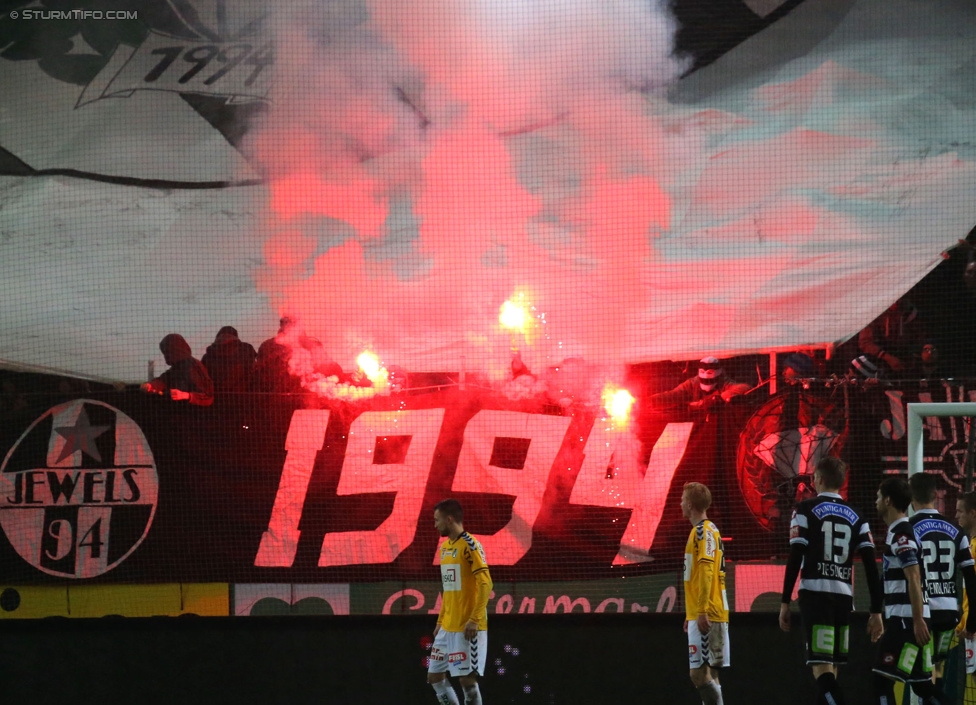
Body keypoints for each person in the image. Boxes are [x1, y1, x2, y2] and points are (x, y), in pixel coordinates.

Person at [779, 457, 884, 705]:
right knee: (832, 668)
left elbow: (795, 555)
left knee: (822, 671)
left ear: (820, 479)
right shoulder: (857, 515)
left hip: (816, 596)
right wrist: (876, 609)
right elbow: (871, 563)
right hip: (843, 598)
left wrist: (784, 601)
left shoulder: (804, 509)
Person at [873, 476, 944, 704]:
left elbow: (913, 575)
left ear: (887, 501)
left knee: (881, 683)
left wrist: (916, 620)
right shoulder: (900, 531)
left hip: (905, 622)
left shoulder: (901, 533)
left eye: (877, 497)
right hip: (911, 619)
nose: (875, 501)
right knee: (923, 686)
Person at [910, 474, 976, 695]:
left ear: (912, 497)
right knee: (937, 668)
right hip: (949, 611)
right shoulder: (957, 532)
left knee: (920, 674)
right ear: (935, 496)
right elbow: (970, 579)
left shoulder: (907, 528)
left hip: (924, 612)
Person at [429, 499, 493, 705]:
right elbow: (449, 589)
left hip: (467, 626)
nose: (435, 524)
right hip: (447, 626)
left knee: (467, 681)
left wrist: (474, 619)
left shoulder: (470, 545)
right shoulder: (445, 548)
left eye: (437, 520)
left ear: (449, 519)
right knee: (435, 677)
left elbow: (486, 583)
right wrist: (440, 621)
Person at [681, 482, 729, 705]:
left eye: (682, 500)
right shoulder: (709, 530)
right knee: (712, 673)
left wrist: (700, 611)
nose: (680, 504)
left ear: (690, 505)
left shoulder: (702, 531)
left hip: (707, 612)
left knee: (698, 674)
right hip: (708, 611)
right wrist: (691, 613)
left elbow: (707, 571)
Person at [648, 357, 750, 412]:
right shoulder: (692, 384)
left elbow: (744, 387)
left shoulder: (724, 383)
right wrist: (651, 401)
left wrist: (715, 399)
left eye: (710, 372)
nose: (706, 376)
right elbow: (673, 395)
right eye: (702, 372)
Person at [140, 333, 213, 406]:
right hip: (179, 412)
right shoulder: (177, 368)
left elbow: (208, 396)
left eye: (168, 352)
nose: (165, 356)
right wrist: (150, 385)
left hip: (194, 414)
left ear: (176, 350)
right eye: (165, 353)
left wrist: (185, 395)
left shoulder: (193, 367)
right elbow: (163, 380)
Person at [954, 492, 976, 685]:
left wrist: (970, 624)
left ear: (973, 514)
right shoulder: (970, 544)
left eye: (960, 511)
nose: (956, 516)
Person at [201, 326, 257, 397]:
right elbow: (253, 369)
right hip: (243, 396)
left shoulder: (208, 355)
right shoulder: (246, 350)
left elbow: (203, 378)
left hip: (216, 398)